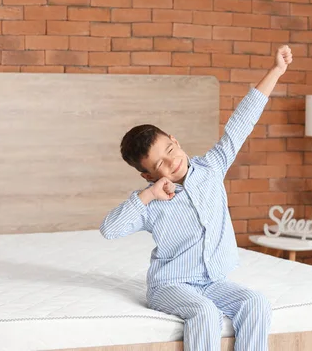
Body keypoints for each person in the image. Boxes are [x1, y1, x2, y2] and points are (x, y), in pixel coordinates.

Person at [100, 45, 293, 351]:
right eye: (159, 165)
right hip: (170, 285)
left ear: (175, 140)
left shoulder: (212, 168)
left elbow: (242, 122)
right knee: (205, 314)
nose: (171, 162)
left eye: (170, 151)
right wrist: (148, 195)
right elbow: (110, 230)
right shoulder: (152, 201)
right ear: (148, 175)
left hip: (213, 281)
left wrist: (276, 71)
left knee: (255, 302)